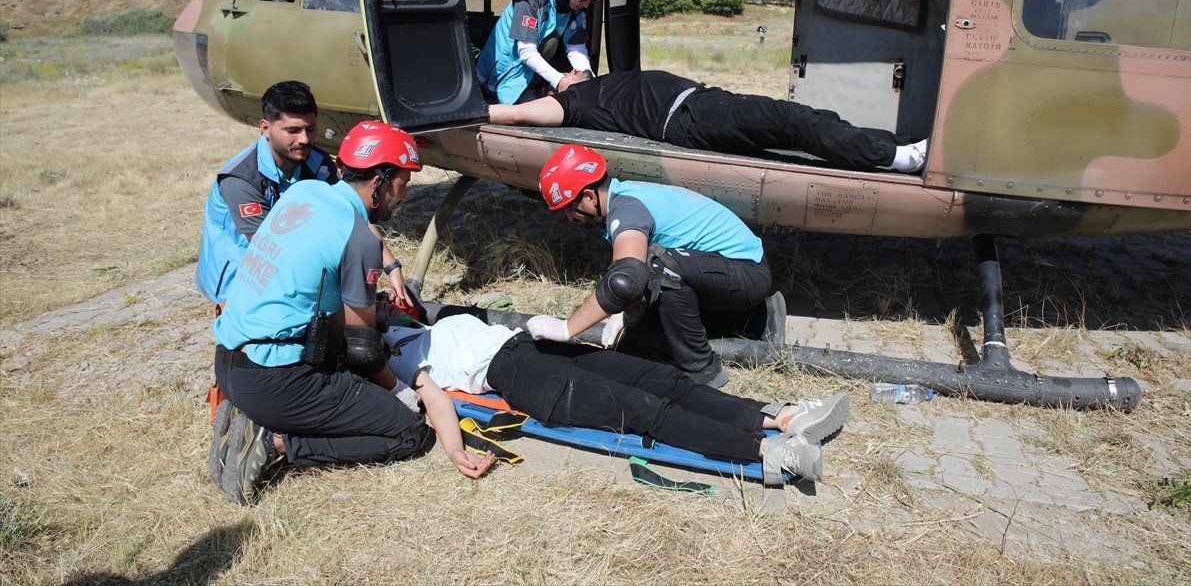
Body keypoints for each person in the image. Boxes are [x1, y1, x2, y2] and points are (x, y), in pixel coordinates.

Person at [209, 121, 494, 505]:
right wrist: (398, 390)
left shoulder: (305, 193)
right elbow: (362, 349)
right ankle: (273, 442)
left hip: (229, 363)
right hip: (273, 380)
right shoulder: (357, 238)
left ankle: (253, 416)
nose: (404, 196)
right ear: (379, 183)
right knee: (408, 432)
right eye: (402, 184)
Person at [384, 312, 851, 486]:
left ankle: (781, 417)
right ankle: (770, 453)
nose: (383, 299)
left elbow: (377, 251)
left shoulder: (425, 325)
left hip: (535, 347)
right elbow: (435, 400)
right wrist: (456, 451)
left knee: (665, 380)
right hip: (516, 375)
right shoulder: (393, 355)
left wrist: (394, 272)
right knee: (646, 410)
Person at [529, 144, 774, 388]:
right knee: (649, 329)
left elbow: (627, 279)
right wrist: (623, 311)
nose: (569, 218)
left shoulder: (626, 211)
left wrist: (567, 328)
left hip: (746, 272)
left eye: (569, 208)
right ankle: (756, 316)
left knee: (660, 266)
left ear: (590, 197)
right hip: (728, 270)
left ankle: (703, 369)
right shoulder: (623, 198)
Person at [196, 80, 412, 311]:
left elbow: (352, 211)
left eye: (310, 129)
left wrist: (391, 266)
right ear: (265, 128)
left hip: (287, 264)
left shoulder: (317, 162)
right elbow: (268, 250)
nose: (305, 139)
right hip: (242, 277)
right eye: (293, 130)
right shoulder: (241, 179)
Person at [488, 69, 928, 173]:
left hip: (702, 103)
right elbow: (517, 113)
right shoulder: (573, 103)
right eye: (562, 75)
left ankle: (894, 146)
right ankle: (897, 157)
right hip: (690, 118)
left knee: (811, 121)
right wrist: (463, 112)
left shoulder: (597, 82)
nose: (569, 70)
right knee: (794, 121)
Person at [475, 0, 602, 104]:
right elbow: (526, 52)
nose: (586, 4)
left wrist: (588, 81)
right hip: (501, 76)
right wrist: (559, 80)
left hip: (530, 71)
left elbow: (576, 47)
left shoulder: (577, 2)